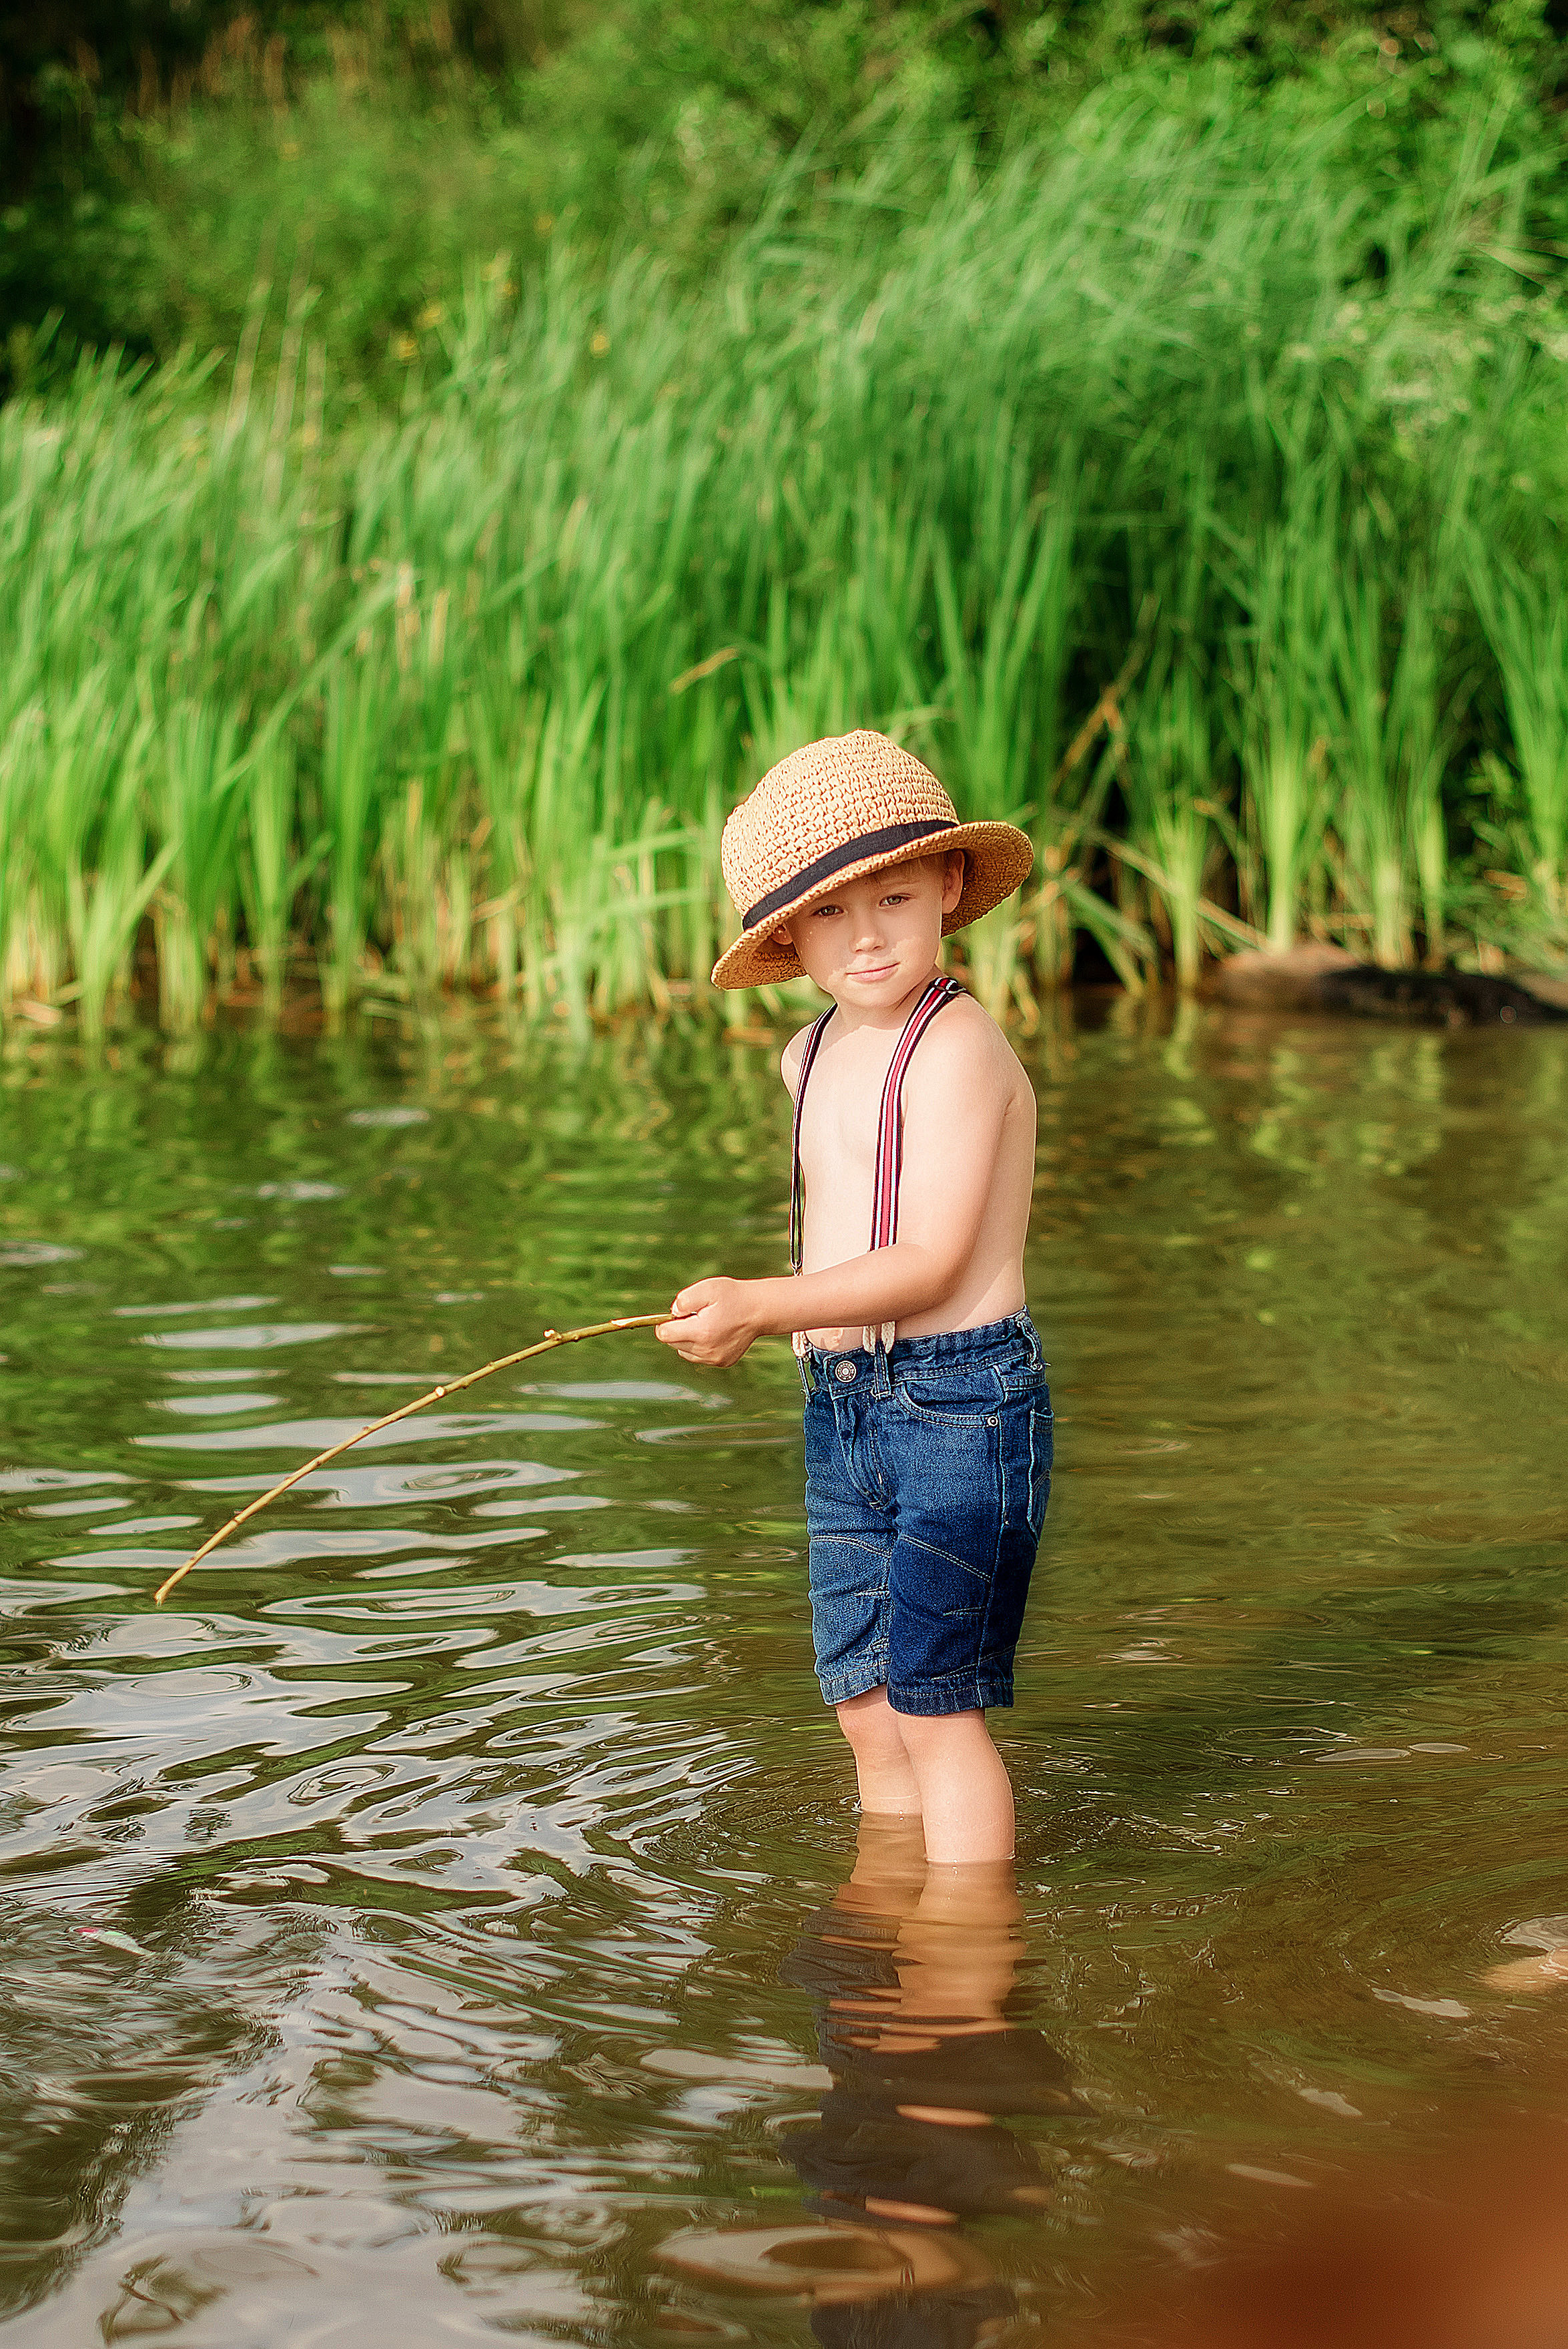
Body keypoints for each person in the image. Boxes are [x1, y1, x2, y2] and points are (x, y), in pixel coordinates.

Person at [658, 731, 1052, 1865]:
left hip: (959, 1405)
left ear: (949, 886)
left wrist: (758, 1301)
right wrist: (771, 1322)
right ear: (789, 937)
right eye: (830, 913)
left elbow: (928, 1259)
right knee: (864, 1700)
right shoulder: (808, 1053)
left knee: (937, 1703)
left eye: (893, 894)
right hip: (841, 1403)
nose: (867, 932)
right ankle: (891, 1895)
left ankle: (967, 1951)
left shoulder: (958, 1049)